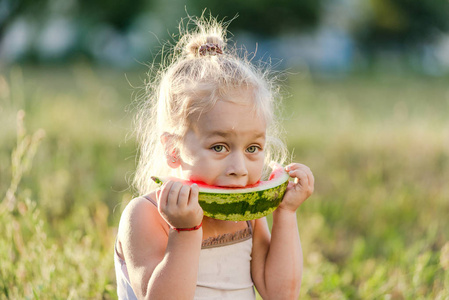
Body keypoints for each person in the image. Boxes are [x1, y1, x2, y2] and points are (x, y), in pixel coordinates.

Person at [114, 14, 314, 300]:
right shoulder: (145, 216)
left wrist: (286, 214)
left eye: (252, 148)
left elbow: (281, 294)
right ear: (173, 149)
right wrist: (185, 231)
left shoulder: (247, 214)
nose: (239, 169)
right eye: (219, 147)